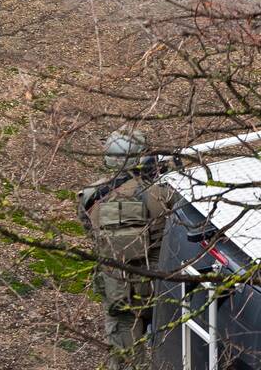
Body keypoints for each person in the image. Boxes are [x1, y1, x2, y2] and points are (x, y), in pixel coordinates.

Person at [78, 130, 173, 370]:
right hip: (158, 286)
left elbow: (91, 232)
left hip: (117, 289)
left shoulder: (89, 196)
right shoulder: (162, 194)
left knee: (124, 356)